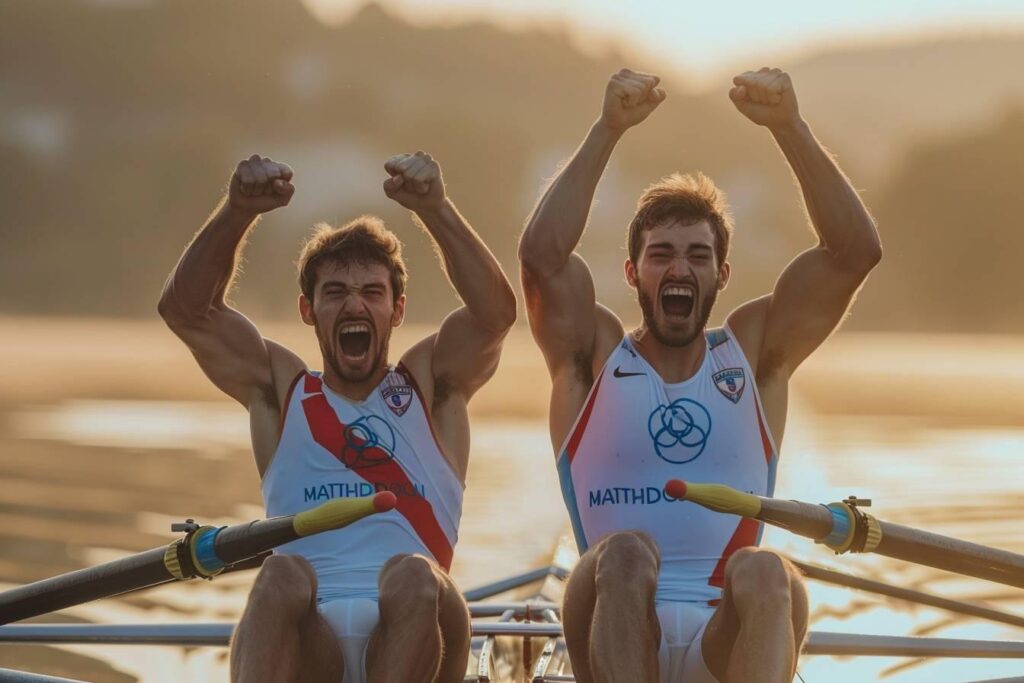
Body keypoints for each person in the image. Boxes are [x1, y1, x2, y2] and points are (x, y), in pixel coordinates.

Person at [518, 67, 881, 682]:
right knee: (629, 552)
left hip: (727, 639)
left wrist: (790, 128)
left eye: (698, 256)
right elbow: (542, 258)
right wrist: (608, 131)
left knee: (768, 571)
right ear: (633, 274)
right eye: (661, 255)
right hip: (610, 612)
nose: (679, 269)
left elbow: (855, 253)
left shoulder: (755, 354)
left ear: (721, 276)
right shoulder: (593, 355)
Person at [159, 151, 516, 683]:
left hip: (421, 629)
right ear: (309, 310)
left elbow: (495, 315)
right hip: (312, 647)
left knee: (413, 574)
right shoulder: (280, 390)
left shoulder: (432, 384)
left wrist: (436, 209)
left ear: (396, 310)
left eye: (372, 292)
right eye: (336, 293)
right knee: (281, 571)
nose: (355, 306)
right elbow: (184, 311)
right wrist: (237, 211)